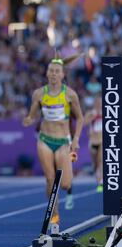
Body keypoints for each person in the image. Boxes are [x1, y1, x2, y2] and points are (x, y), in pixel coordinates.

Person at [23, 55, 84, 226]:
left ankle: (65, 187)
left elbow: (80, 118)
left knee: (64, 184)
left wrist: (76, 139)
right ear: (47, 73)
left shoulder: (70, 94)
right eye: (51, 71)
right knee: (50, 179)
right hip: (44, 140)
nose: (53, 74)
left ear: (63, 74)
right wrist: (28, 120)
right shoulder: (39, 94)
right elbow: (32, 115)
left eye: (57, 71)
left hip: (63, 142)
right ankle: (54, 215)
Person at [84, 95, 103, 192]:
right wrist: (92, 117)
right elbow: (84, 123)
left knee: (100, 162)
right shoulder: (90, 113)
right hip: (92, 141)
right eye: (97, 102)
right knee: (95, 164)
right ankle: (98, 179)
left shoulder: (106, 112)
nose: (99, 104)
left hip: (102, 140)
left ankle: (101, 183)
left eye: (100, 102)